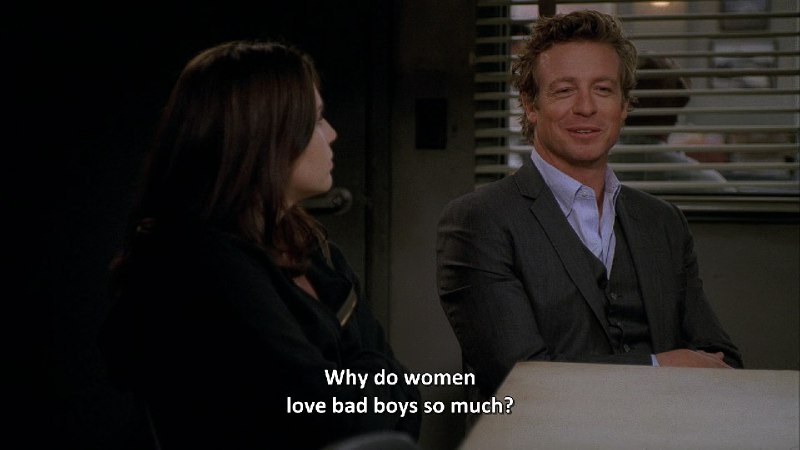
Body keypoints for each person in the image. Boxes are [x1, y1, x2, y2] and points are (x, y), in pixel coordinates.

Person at [99, 40, 421, 450]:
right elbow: (337, 419)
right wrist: (374, 379)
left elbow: (405, 400)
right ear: (267, 139)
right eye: (316, 121)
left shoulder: (312, 249)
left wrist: (370, 385)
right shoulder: (206, 265)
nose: (332, 134)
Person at [436, 10, 742, 418]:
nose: (586, 107)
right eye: (564, 90)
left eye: (602, 89)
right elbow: (518, 379)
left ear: (624, 105)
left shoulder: (664, 222)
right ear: (530, 104)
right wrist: (659, 365)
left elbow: (722, 360)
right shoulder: (478, 220)